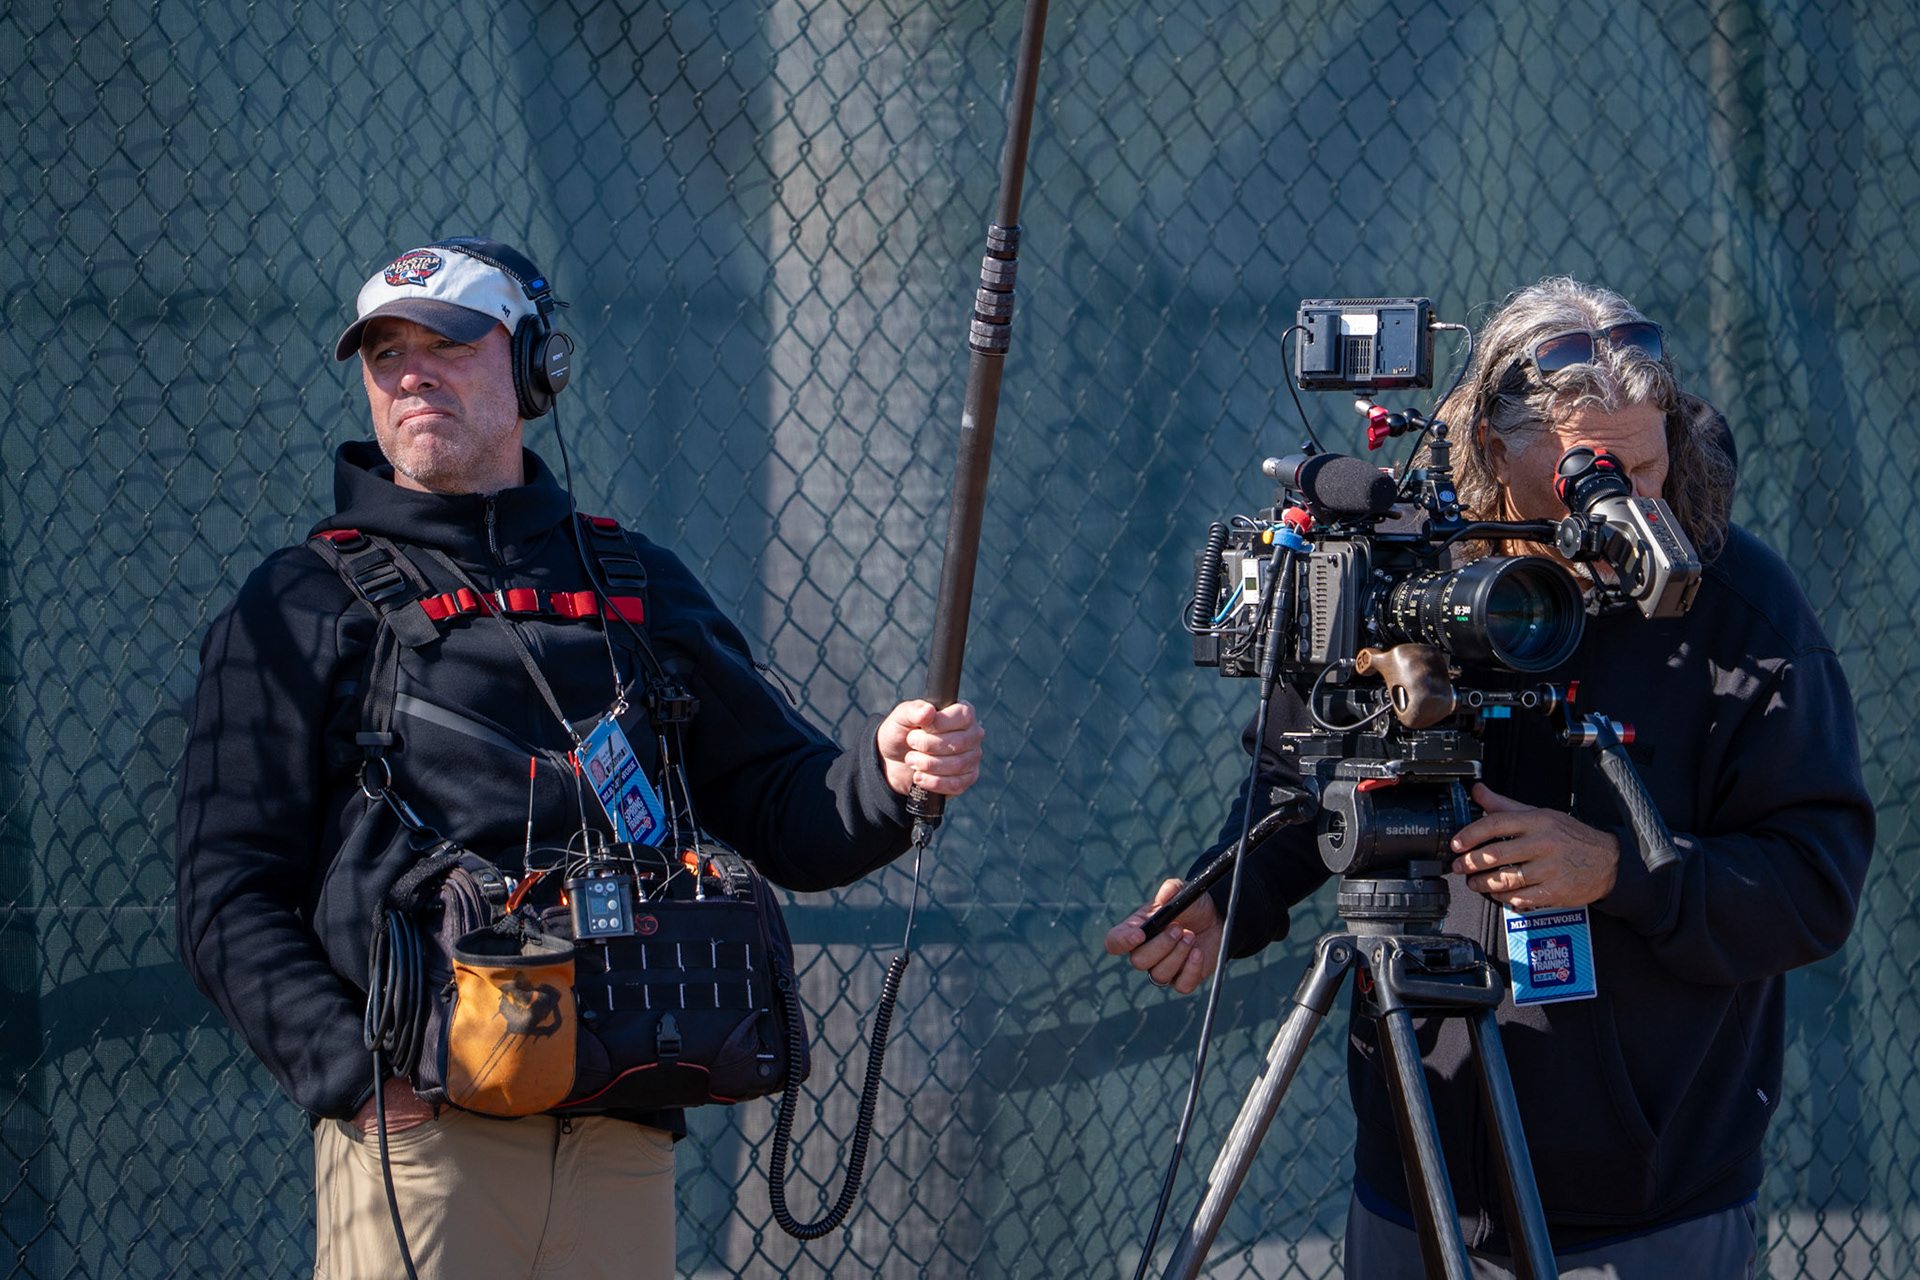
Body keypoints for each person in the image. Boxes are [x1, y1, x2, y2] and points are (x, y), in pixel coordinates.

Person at [175, 237, 984, 1280]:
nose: (412, 374)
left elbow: (788, 809)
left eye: (448, 344)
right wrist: (363, 1086)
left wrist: (886, 772)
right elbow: (224, 893)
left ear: (535, 365)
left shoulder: (634, 580)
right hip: (428, 1140)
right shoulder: (298, 602)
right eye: (385, 354)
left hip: (621, 1139)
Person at [1106, 277, 1873, 1278]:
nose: (1628, 508)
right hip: (1414, 1174)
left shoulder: (1742, 607)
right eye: (1587, 477)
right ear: (1493, 448)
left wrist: (1621, 870)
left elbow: (1815, 882)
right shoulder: (1404, 568)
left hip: (1644, 1206)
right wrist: (1226, 895)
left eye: (1646, 466)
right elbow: (1302, 771)